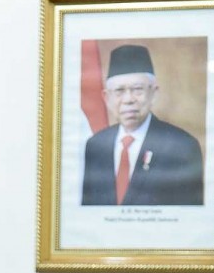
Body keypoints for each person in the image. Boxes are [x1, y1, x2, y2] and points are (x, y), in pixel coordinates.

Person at [81, 43, 204, 207]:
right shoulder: (95, 145)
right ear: (106, 98)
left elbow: (189, 218)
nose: (128, 100)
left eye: (137, 89)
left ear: (154, 94)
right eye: (119, 91)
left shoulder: (182, 147)